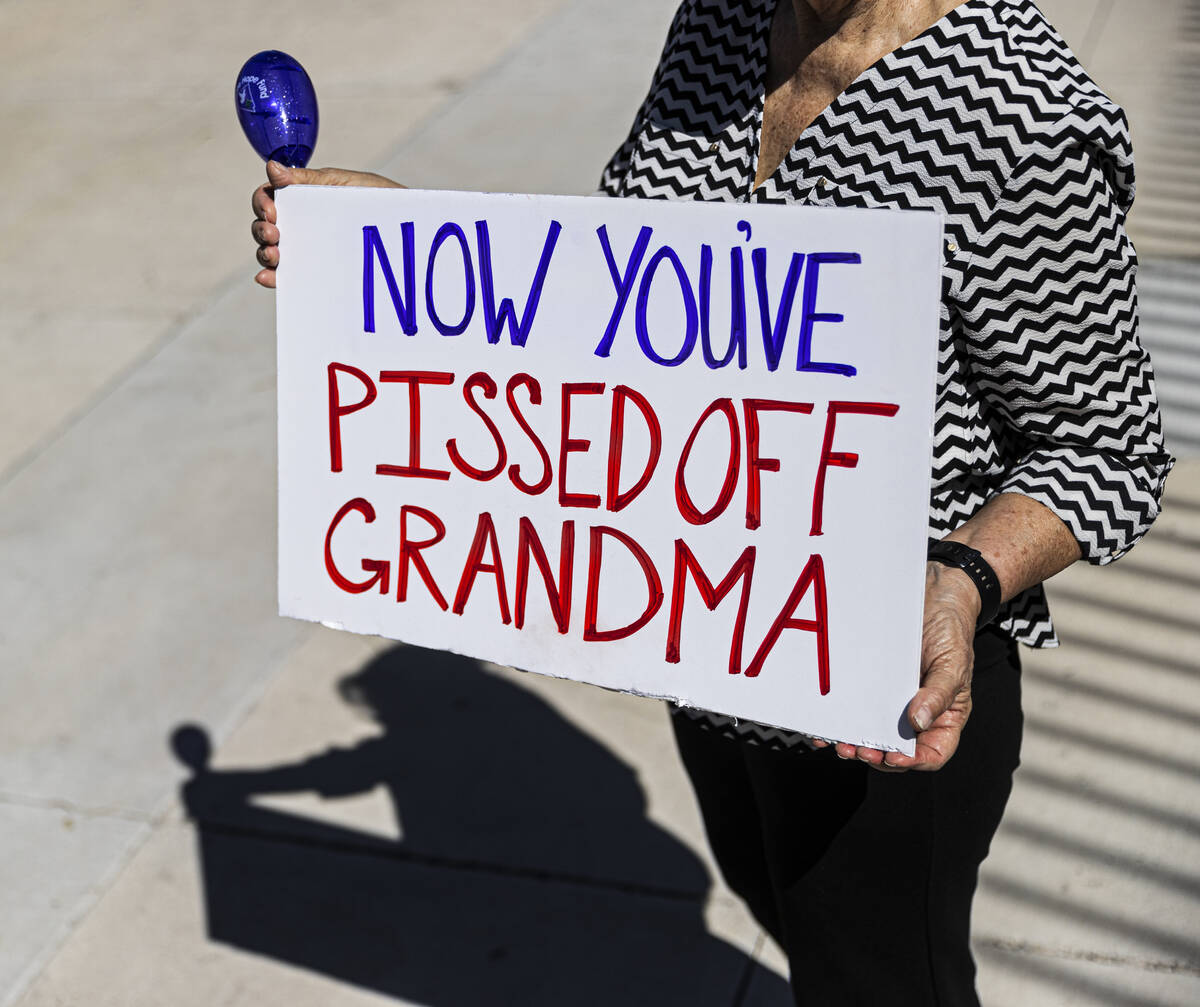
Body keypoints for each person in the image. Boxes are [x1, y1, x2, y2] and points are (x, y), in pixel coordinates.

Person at [250, 1, 1174, 1002]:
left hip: (879, 684)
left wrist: (961, 578)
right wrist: (399, 241)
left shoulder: (1023, 118)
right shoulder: (725, 22)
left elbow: (1108, 446)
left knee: (882, 976)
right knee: (774, 894)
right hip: (711, 643)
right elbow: (632, 288)